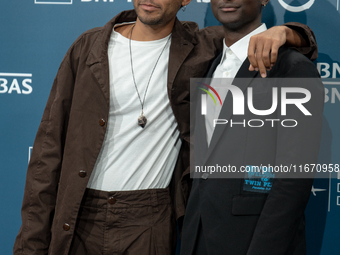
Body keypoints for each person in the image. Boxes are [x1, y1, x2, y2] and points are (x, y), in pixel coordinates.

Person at [13, 0, 318, 254]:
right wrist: (31, 244)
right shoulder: (88, 48)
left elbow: (254, 38)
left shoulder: (198, 48)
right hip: (80, 213)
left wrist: (287, 32)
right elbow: (47, 153)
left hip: (151, 220)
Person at [180, 0, 324, 255]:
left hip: (253, 240)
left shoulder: (291, 68)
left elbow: (292, 181)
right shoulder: (208, 63)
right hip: (199, 237)